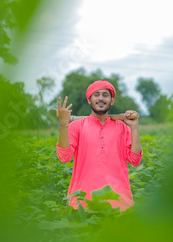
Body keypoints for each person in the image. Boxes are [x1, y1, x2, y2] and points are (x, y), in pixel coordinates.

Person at [53, 80, 143, 212]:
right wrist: (64, 124)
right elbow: (64, 157)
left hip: (119, 204)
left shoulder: (123, 128)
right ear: (89, 100)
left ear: (111, 101)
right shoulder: (76, 126)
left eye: (105, 95)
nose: (101, 98)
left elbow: (135, 160)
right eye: (96, 95)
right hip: (83, 205)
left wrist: (134, 128)